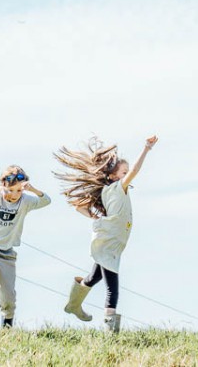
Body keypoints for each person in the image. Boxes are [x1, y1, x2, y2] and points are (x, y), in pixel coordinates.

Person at [54, 135, 158, 332]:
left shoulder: (109, 190)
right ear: (112, 176)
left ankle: (73, 305)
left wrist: (94, 217)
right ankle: (111, 333)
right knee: (113, 287)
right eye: (124, 172)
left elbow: (79, 208)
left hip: (110, 241)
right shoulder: (117, 188)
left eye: (126, 173)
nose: (128, 175)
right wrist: (146, 149)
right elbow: (136, 170)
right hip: (110, 242)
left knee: (94, 278)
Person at [0, 165, 51, 327]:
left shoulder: (26, 201)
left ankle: (7, 327)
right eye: (10, 191)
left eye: (18, 191)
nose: (14, 195)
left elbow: (46, 200)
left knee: (8, 296)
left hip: (6, 253)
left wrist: (32, 189)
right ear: (3, 187)